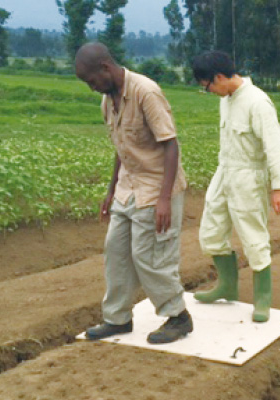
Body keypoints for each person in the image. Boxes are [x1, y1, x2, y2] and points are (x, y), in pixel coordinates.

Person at [75, 43, 192, 344]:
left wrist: (164, 198)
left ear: (105, 67)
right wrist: (111, 189)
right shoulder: (107, 100)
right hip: (128, 187)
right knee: (115, 251)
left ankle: (178, 317)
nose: (92, 88)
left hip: (156, 186)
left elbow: (170, 144)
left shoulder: (145, 91)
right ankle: (117, 318)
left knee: (149, 255)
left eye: (92, 81)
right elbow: (121, 147)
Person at [191, 50, 280, 323]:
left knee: (253, 236)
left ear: (219, 77)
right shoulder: (227, 99)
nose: (208, 91)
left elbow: (274, 147)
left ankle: (262, 299)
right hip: (225, 172)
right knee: (210, 231)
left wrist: (278, 186)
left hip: (249, 176)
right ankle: (227, 286)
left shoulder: (258, 102)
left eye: (207, 86)